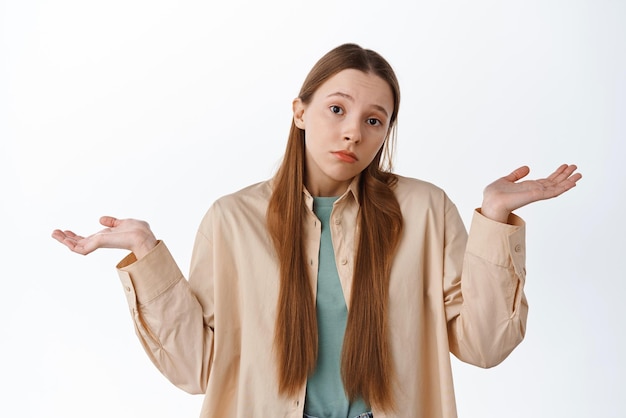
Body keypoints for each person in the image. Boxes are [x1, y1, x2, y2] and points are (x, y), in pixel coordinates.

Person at [52, 43, 581, 418]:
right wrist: (147, 253)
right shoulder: (232, 220)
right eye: (336, 108)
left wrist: (494, 220)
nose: (353, 129)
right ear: (300, 111)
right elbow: (198, 370)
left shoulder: (425, 211)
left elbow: (483, 345)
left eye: (375, 120)